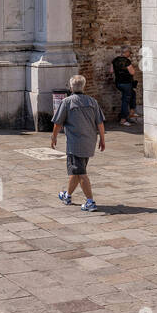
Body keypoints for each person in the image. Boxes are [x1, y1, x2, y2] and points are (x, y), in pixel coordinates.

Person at [51, 74, 107, 211]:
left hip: (75, 143)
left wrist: (54, 137)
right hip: (89, 141)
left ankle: (90, 201)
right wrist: (102, 139)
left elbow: (58, 123)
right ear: (84, 86)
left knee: (80, 172)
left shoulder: (67, 102)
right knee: (75, 171)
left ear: (70, 87)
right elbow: (100, 122)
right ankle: (67, 195)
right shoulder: (92, 101)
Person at [110, 49, 139, 125]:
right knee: (125, 101)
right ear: (125, 52)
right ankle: (123, 119)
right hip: (126, 83)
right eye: (129, 52)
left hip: (118, 83)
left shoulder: (114, 60)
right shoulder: (127, 61)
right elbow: (132, 72)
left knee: (133, 93)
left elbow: (111, 71)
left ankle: (131, 112)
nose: (130, 54)